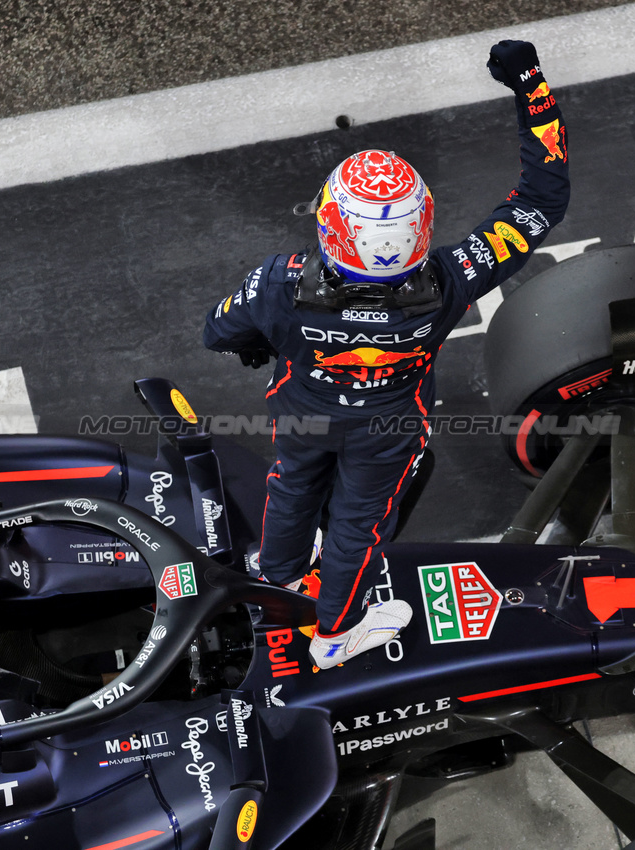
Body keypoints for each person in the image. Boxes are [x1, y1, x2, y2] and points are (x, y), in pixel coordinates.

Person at [203, 39, 571, 669]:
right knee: (357, 528)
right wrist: (531, 86)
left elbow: (217, 331)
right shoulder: (453, 279)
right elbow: (543, 200)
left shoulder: (279, 282)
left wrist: (254, 339)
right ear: (420, 225)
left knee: (291, 486)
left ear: (329, 224)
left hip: (303, 414)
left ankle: (287, 586)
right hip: (389, 433)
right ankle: (336, 632)